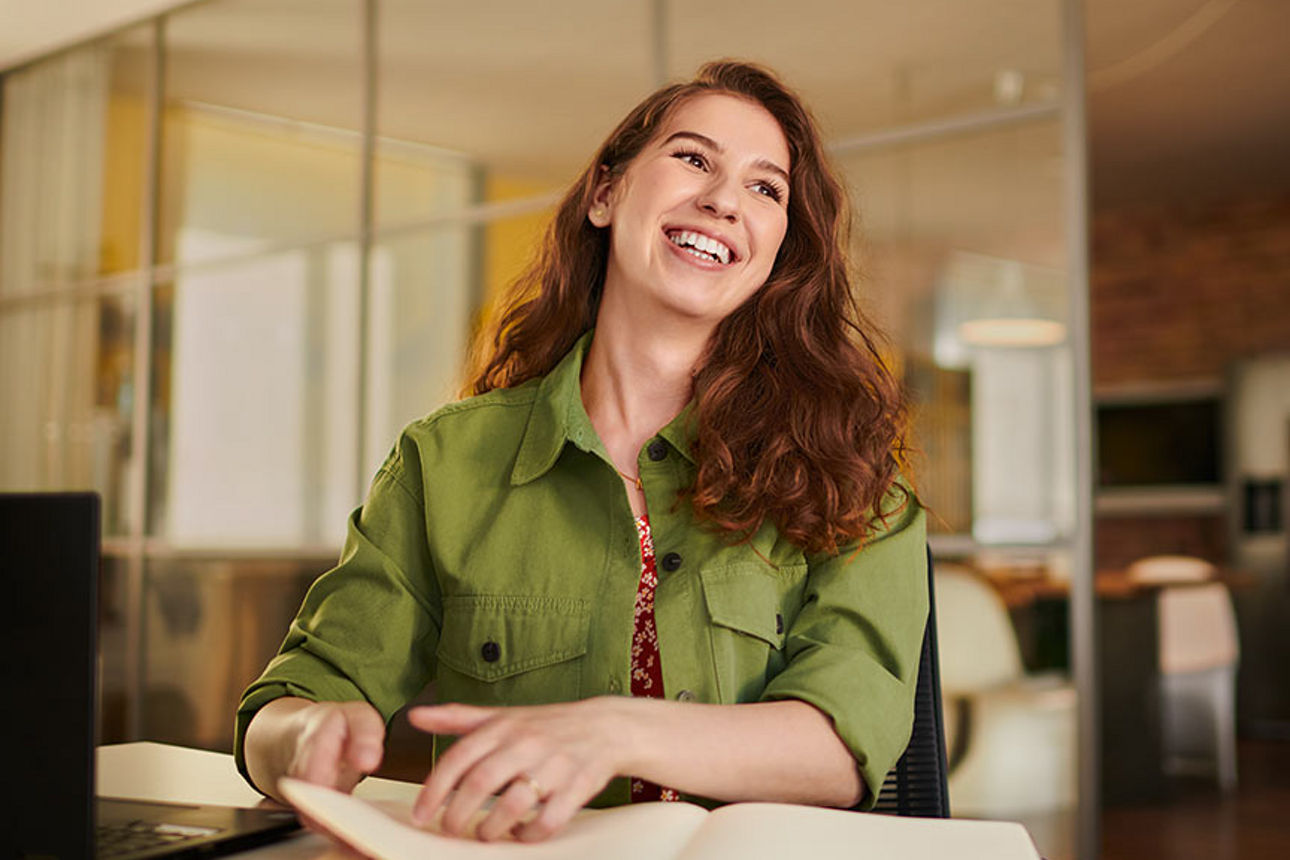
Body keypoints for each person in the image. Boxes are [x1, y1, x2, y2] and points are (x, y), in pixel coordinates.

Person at [236, 59, 928, 845]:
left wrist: (614, 732)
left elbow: (843, 741)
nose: (724, 199)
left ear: (779, 252)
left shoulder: (850, 470)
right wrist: (307, 739)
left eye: (766, 189)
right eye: (694, 159)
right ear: (606, 193)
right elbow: (289, 704)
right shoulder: (445, 461)